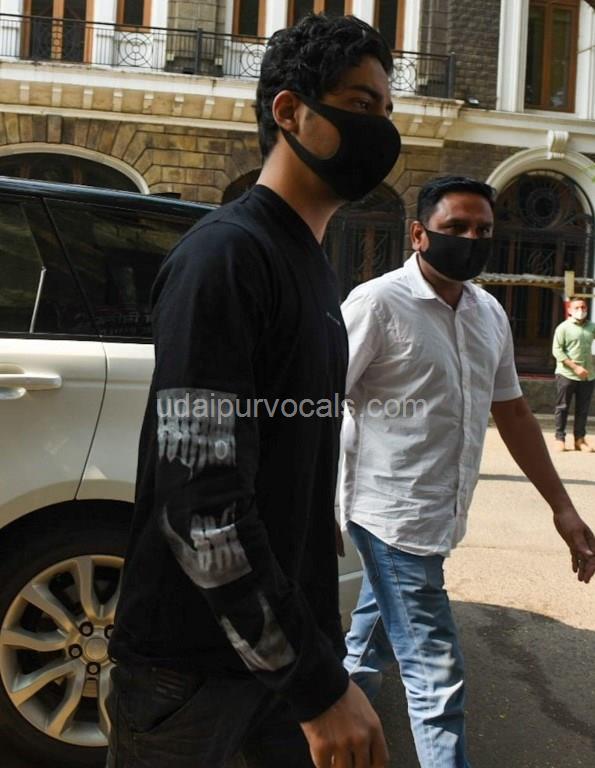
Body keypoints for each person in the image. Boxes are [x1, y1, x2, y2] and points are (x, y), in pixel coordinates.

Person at [106, 13, 401, 768]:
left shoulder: (308, 264)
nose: (381, 129)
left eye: (386, 109)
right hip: (195, 676)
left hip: (276, 662)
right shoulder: (227, 257)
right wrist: (316, 687)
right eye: (360, 105)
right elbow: (200, 505)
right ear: (289, 111)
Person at [339, 175, 595, 768]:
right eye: (456, 227)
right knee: (437, 676)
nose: (471, 239)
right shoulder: (376, 303)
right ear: (419, 234)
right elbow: (320, 401)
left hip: (441, 514)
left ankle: (322, 744)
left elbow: (513, 413)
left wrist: (562, 507)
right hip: (388, 514)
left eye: (483, 229)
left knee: (368, 648)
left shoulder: (489, 313)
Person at [552, 297, 595, 452]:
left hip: (588, 375)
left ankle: (580, 440)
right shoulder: (563, 328)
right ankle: (559, 438)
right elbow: (557, 350)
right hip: (567, 374)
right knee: (562, 407)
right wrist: (575, 367)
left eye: (583, 307)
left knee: (583, 409)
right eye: (577, 308)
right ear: (569, 310)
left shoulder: (592, 327)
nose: (581, 310)